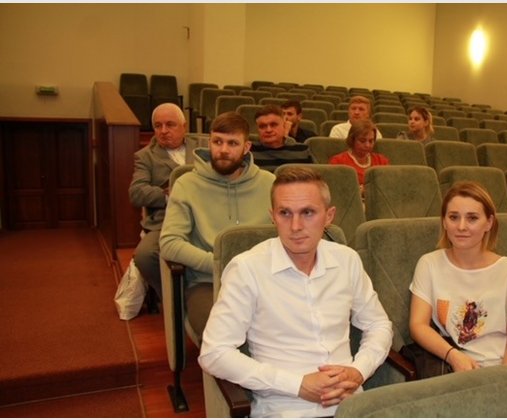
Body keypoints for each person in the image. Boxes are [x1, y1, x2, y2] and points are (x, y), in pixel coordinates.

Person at [199, 166, 393, 418]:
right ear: (272, 216)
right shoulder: (247, 269)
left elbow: (379, 325)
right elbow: (214, 353)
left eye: (308, 212)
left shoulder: (347, 260)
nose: (295, 226)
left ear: (329, 216)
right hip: (285, 409)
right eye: (285, 213)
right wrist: (297, 385)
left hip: (351, 406)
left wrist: (358, 371)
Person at [408, 181, 507, 380]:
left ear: (489, 223)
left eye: (472, 218)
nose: (461, 226)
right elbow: (418, 325)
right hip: (462, 364)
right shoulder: (429, 264)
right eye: (453, 217)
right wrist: (452, 356)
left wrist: (500, 384)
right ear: (444, 222)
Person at [159, 111, 275, 336]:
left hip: (263, 280)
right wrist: (218, 265)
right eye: (217, 141)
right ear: (209, 142)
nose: (223, 150)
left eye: (232, 143)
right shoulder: (186, 184)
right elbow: (169, 243)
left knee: (289, 330)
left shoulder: (269, 183)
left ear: (246, 147)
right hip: (209, 282)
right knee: (222, 336)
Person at [129, 102, 206, 301]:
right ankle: (174, 299)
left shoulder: (203, 147)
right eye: (158, 126)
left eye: (170, 124)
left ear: (184, 126)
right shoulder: (145, 156)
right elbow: (136, 193)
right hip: (166, 219)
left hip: (206, 214)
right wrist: (168, 195)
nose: (163, 131)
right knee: (145, 256)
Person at [328, 119, 389, 196]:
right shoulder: (338, 161)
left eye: (371, 141)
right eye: (362, 141)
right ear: (352, 140)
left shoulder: (382, 161)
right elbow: (336, 191)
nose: (367, 145)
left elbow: (387, 188)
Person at [251, 104, 313, 172]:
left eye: (274, 125)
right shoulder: (249, 152)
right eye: (262, 126)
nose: (268, 130)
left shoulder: (302, 150)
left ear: (284, 126)